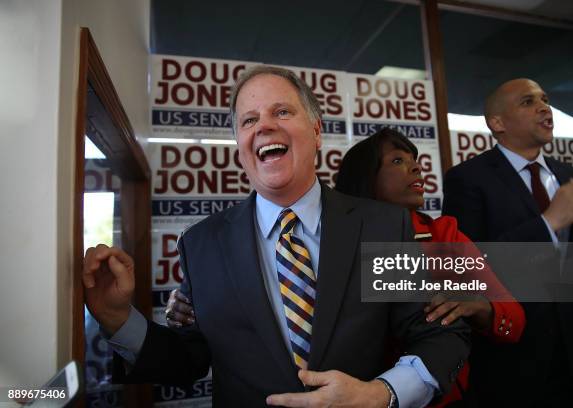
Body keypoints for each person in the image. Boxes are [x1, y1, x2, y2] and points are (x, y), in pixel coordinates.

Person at [83, 65, 470, 407]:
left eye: (282, 112)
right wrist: (118, 317)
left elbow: (439, 337)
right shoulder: (202, 245)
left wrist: (381, 394)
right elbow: (189, 359)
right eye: (248, 121)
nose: (264, 126)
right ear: (240, 147)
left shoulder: (382, 227)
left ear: (317, 132)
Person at [167, 128, 526, 407]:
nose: (416, 167)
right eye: (397, 161)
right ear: (364, 177)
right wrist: (205, 302)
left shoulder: (441, 233)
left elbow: (509, 320)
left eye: (415, 159)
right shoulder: (320, 239)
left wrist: (480, 306)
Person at [442, 78, 573, 408]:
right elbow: (469, 266)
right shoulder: (469, 179)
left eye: (545, 99)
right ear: (497, 123)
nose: (544, 107)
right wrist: (548, 224)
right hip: (508, 361)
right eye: (527, 101)